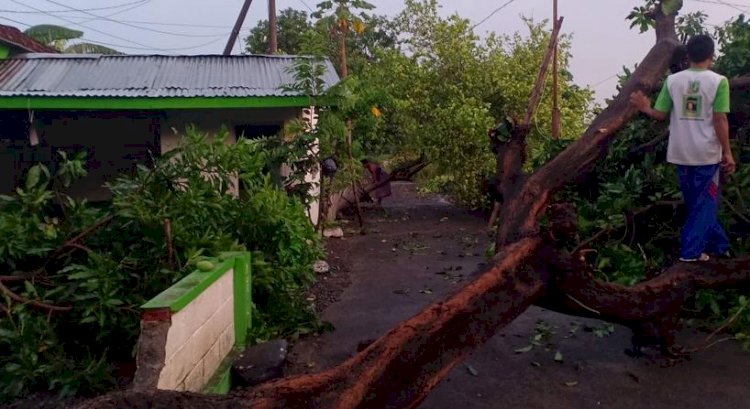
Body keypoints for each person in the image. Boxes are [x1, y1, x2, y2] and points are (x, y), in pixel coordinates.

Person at [630, 34, 735, 262]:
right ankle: (691, 254)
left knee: (697, 204)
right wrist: (727, 152)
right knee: (705, 204)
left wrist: (645, 106)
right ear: (711, 56)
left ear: (687, 56)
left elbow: (660, 114)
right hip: (706, 155)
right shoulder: (719, 81)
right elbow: (720, 120)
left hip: (681, 153)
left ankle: (719, 246)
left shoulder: (673, 81)